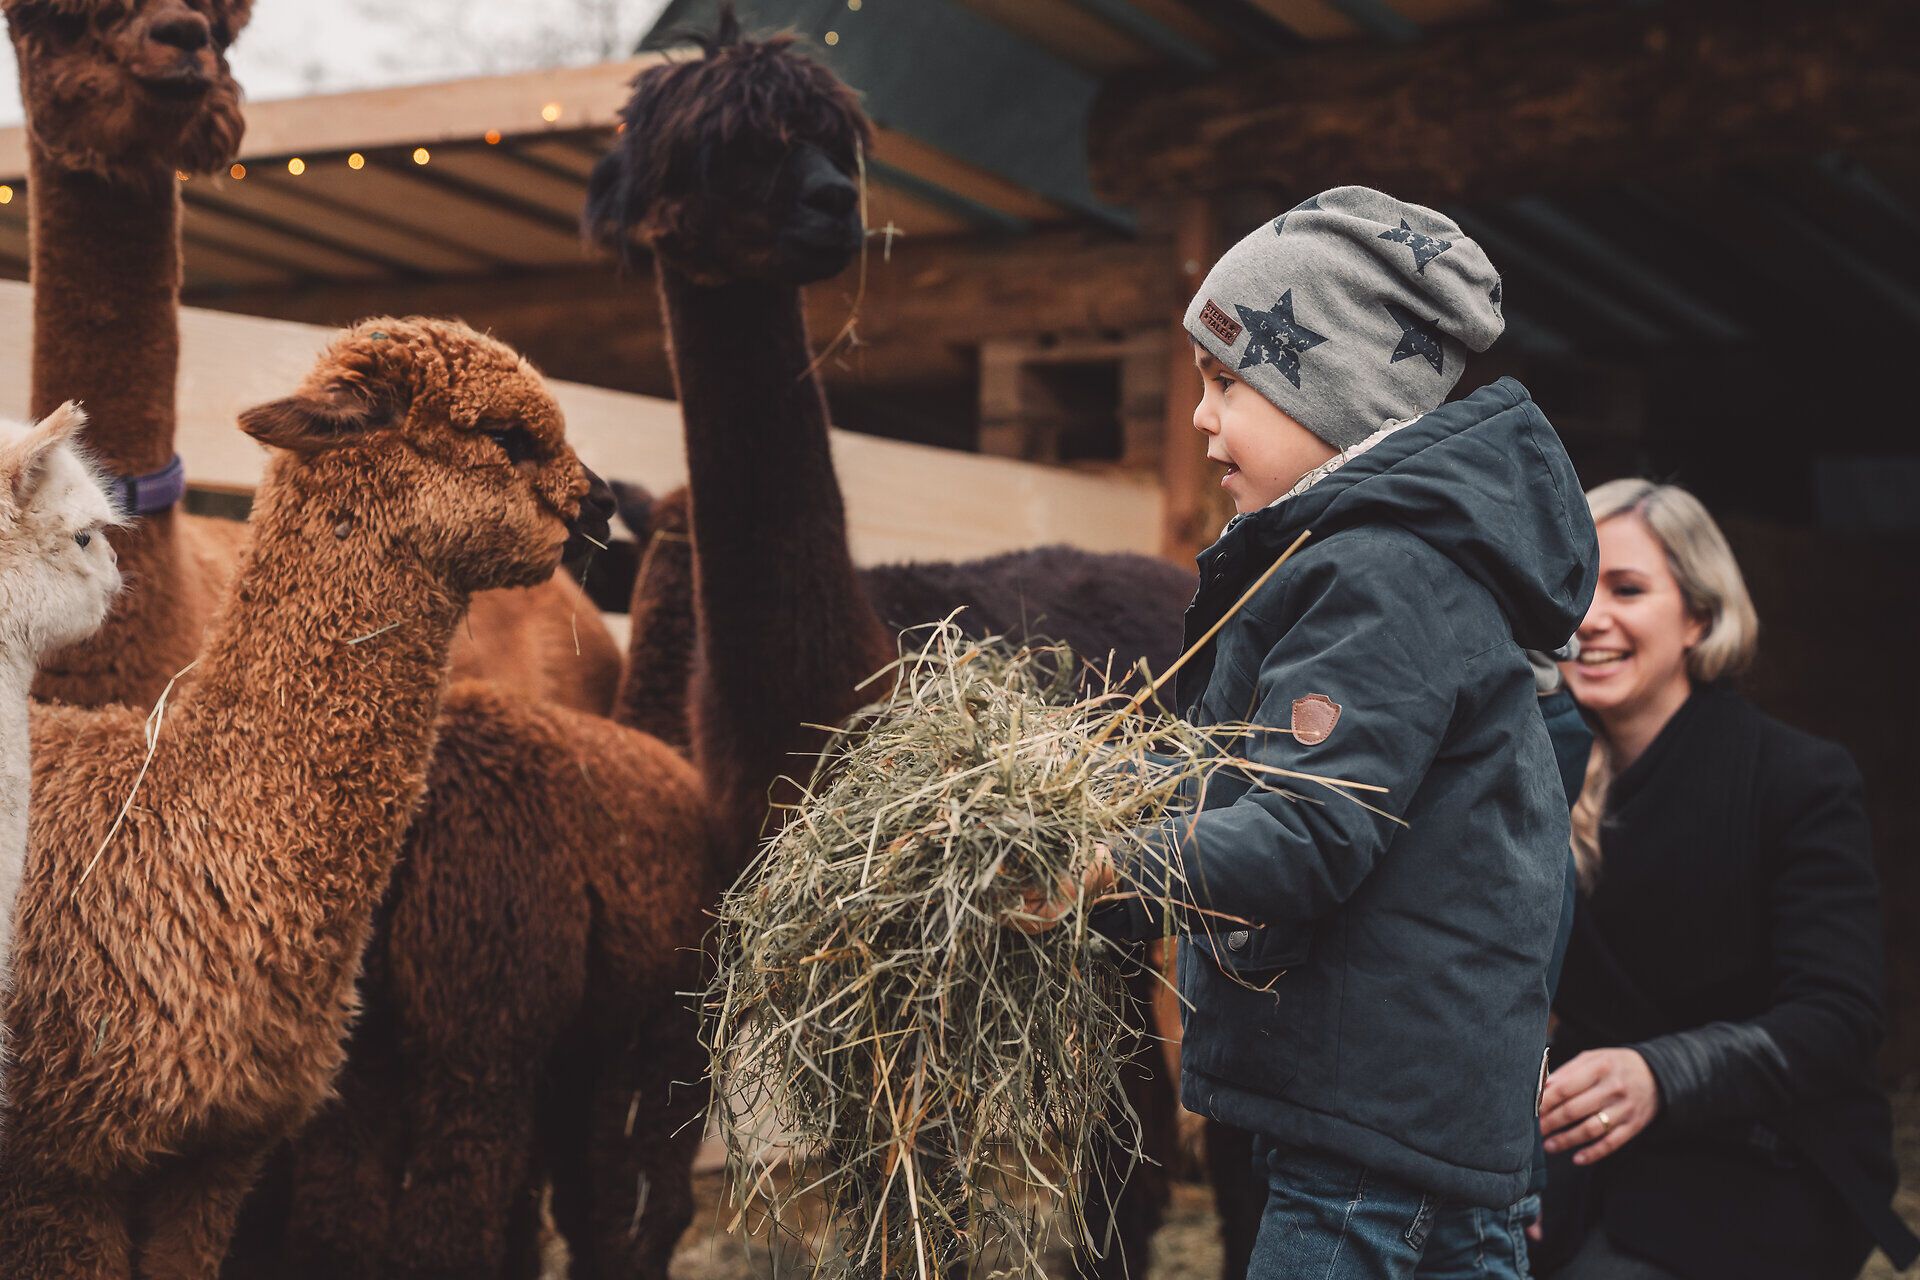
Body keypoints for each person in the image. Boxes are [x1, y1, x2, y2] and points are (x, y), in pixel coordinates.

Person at [1018, 186, 1598, 1278]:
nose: (1199, 416)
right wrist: (1098, 782)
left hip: (1375, 1128)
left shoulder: (1383, 573)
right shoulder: (1357, 560)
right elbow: (1246, 771)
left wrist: (1096, 861)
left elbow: (1304, 832)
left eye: (1225, 380)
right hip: (1406, 1113)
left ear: (1331, 393)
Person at [1536, 480, 1917, 1280]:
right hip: (1583, 1154)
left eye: (1629, 589)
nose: (1591, 617)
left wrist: (1661, 1074)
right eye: (1575, 586)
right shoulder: (1535, 778)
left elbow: (1837, 1018)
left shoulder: (1796, 779)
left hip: (1760, 1159)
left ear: (1701, 617)